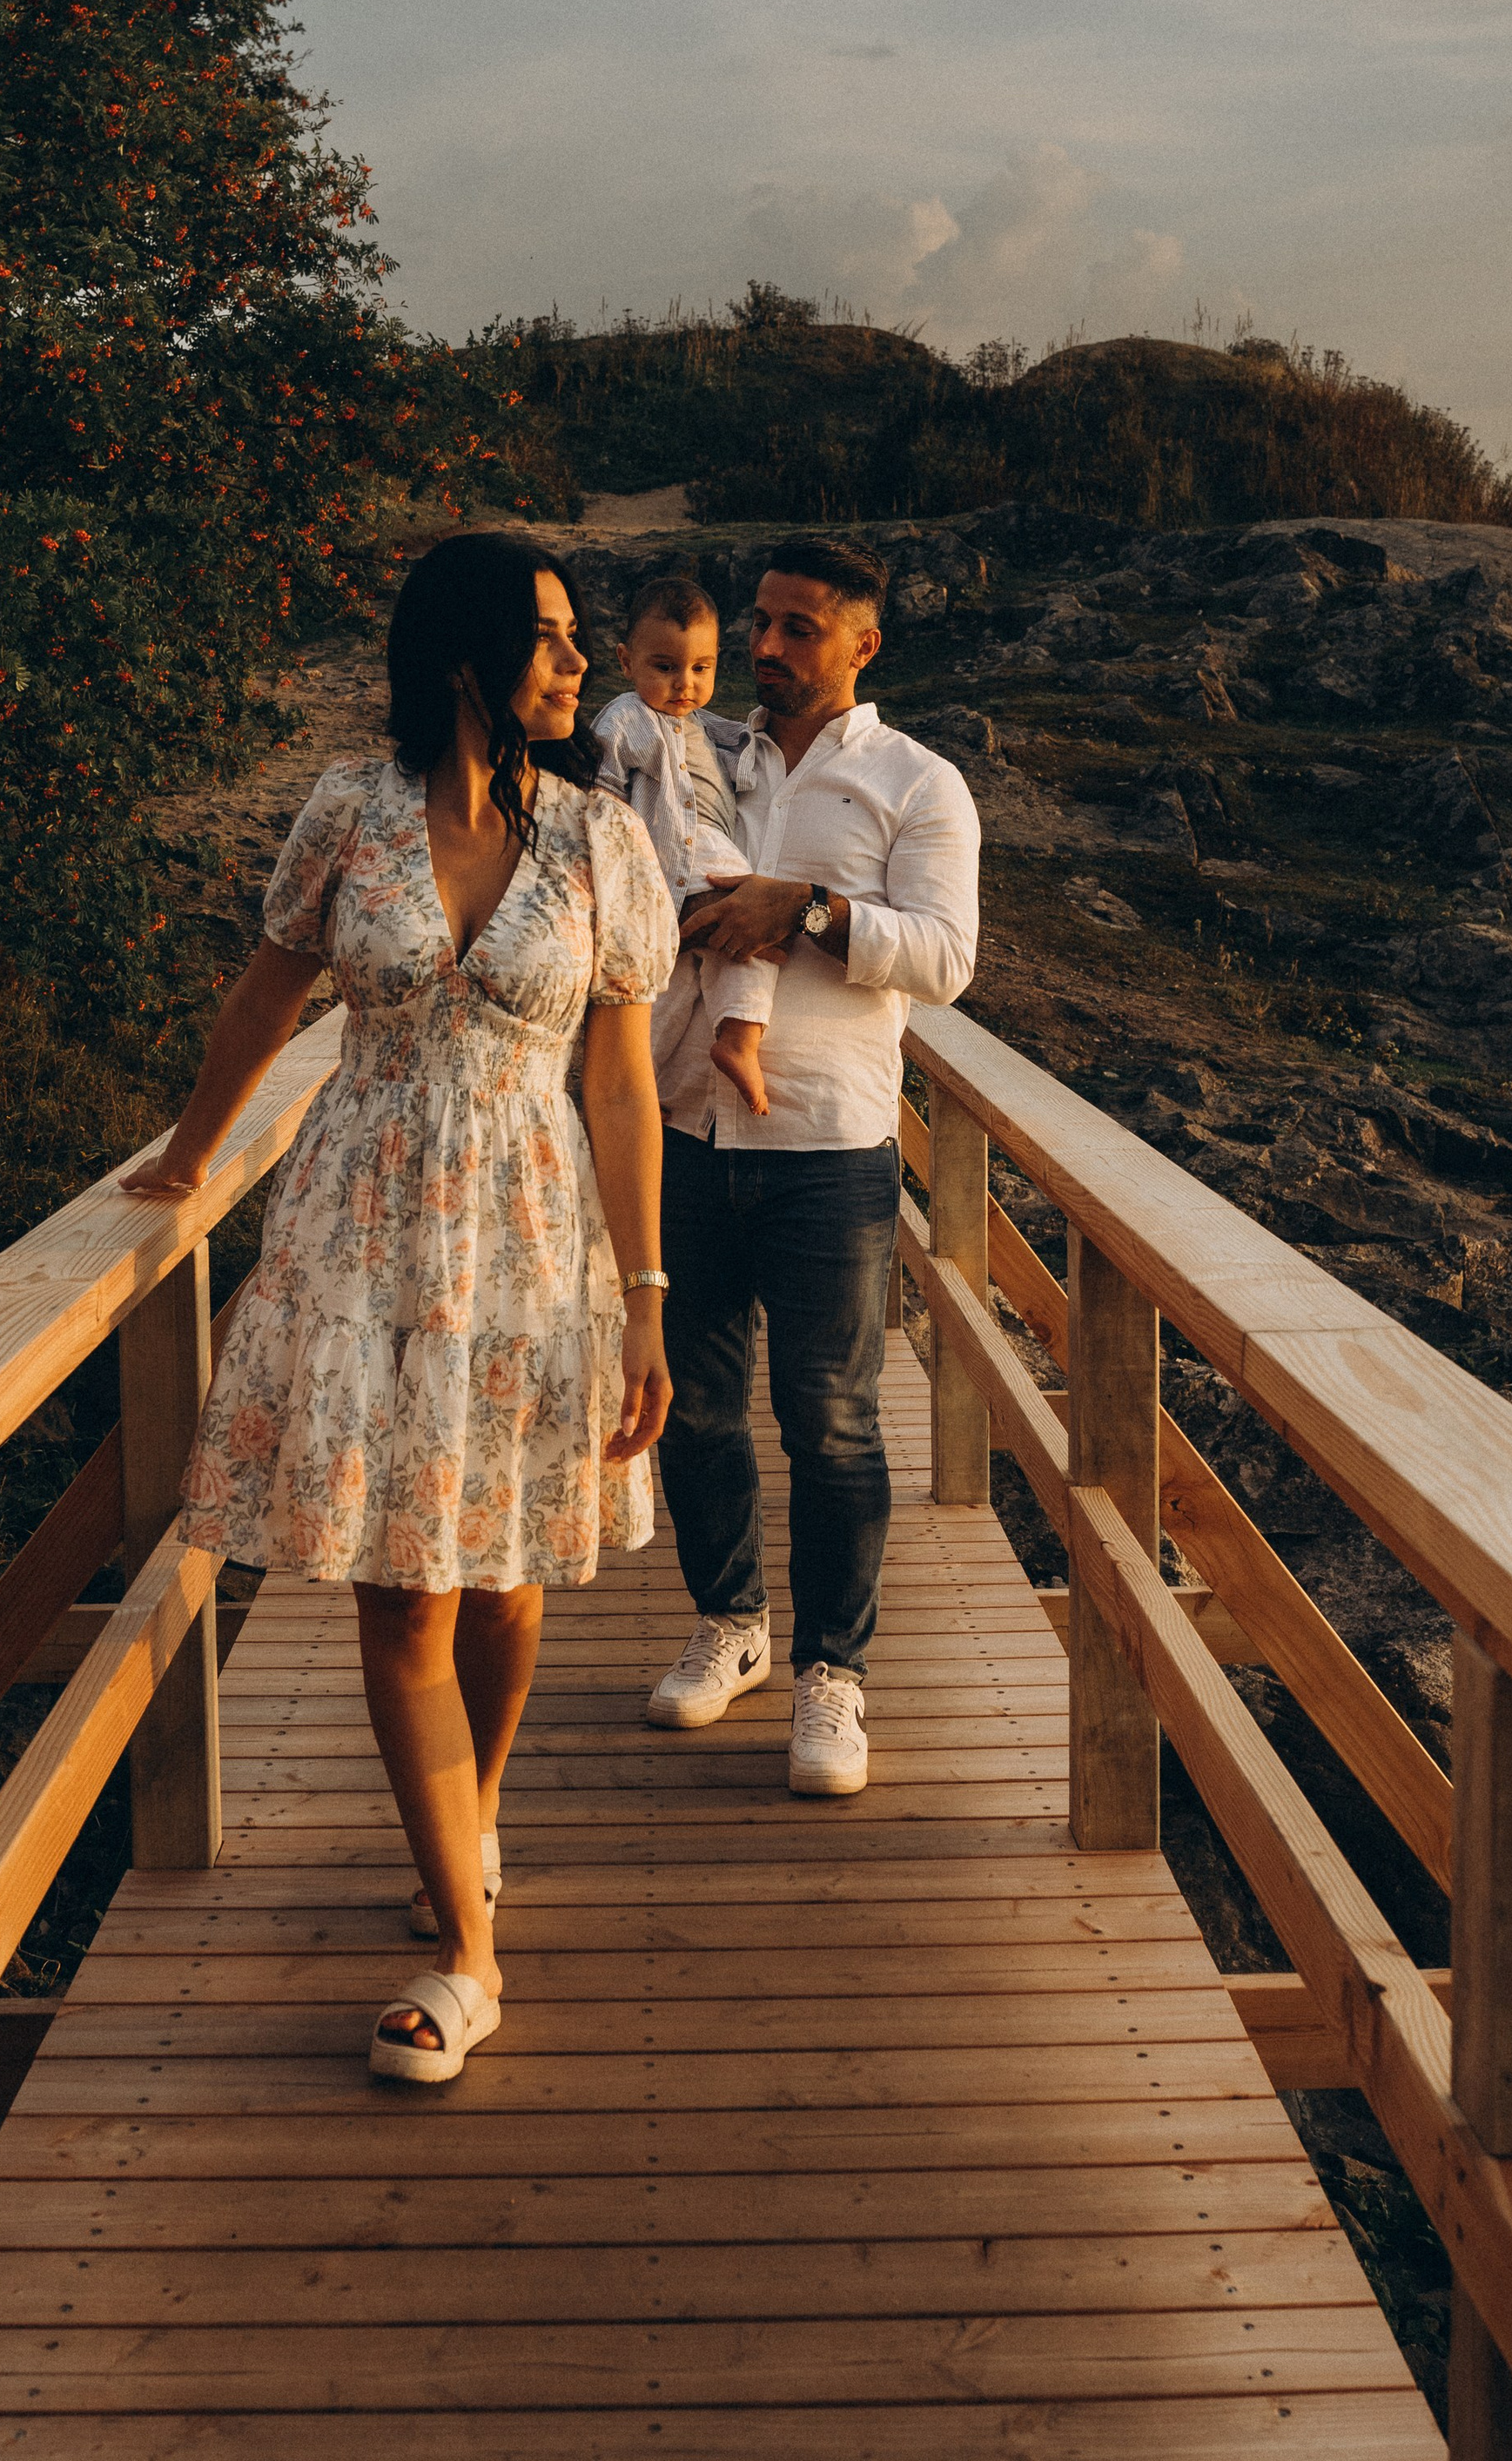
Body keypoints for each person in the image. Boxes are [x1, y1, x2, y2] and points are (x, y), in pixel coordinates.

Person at [119, 533, 677, 2084]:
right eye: (550, 639)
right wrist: (188, 1159)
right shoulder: (350, 815)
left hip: (529, 1243)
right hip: (364, 1237)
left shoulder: (600, 841)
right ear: (466, 660)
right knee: (404, 1591)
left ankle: (469, 1824)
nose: (579, 662)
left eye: (576, 637)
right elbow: (268, 992)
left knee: (502, 1577)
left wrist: (644, 1296)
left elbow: (622, 1085)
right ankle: (468, 1959)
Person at [642, 535, 981, 1799]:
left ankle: (833, 1674)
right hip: (681, 1130)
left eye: (799, 627)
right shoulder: (691, 752)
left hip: (830, 1148)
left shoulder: (918, 782)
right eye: (761, 622)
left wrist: (809, 908)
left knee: (830, 1421)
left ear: (862, 645)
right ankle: (730, 1623)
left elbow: (946, 960)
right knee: (694, 1406)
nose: (767, 647)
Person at [592, 573, 776, 1117]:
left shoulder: (704, 725)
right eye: (665, 667)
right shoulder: (628, 716)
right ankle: (738, 1039)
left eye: (701, 668)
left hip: (700, 855)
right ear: (626, 662)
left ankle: (647, 1086)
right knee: (757, 933)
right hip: (683, 848)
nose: (684, 684)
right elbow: (601, 789)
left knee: (675, 981)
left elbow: (736, 759)